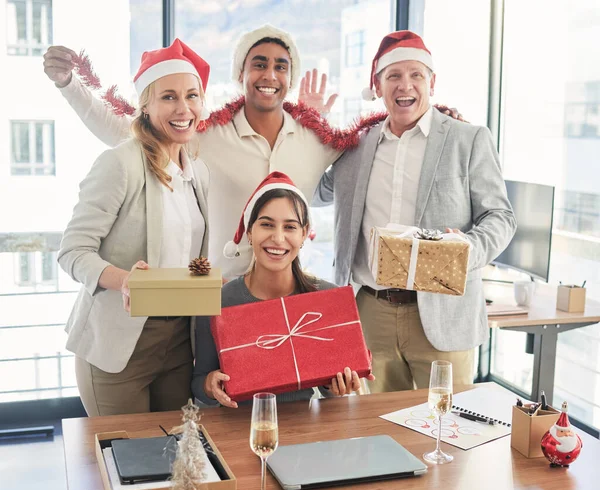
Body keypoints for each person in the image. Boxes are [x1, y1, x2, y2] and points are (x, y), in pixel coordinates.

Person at [43, 25, 460, 279]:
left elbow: (375, 139)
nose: (270, 75)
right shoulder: (205, 133)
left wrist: (433, 113)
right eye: (259, 63)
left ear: (290, 78)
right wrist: (69, 86)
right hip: (216, 298)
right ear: (241, 73)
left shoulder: (317, 140)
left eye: (281, 66)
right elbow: (124, 129)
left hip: (285, 294)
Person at [313, 31, 517, 392]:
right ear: (377, 86)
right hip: (370, 312)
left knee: (444, 432)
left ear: (432, 82)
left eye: (416, 75)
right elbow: (312, 191)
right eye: (393, 76)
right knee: (372, 432)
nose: (404, 85)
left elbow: (500, 217)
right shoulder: (354, 147)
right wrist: (308, 124)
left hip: (444, 314)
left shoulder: (468, 139)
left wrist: (467, 250)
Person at [58, 39, 211, 416]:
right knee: (122, 463)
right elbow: (72, 252)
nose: (183, 108)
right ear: (145, 105)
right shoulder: (119, 165)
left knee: (175, 456)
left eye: (192, 96)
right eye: (169, 97)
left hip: (177, 345)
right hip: (116, 345)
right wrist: (125, 279)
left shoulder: (198, 173)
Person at [192, 172, 375, 407]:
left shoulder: (326, 299)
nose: (278, 238)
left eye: (290, 227)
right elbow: (199, 383)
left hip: (306, 429)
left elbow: (331, 390)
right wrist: (210, 384)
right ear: (249, 232)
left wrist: (336, 387)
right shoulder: (218, 301)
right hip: (238, 431)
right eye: (266, 224)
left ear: (304, 234)